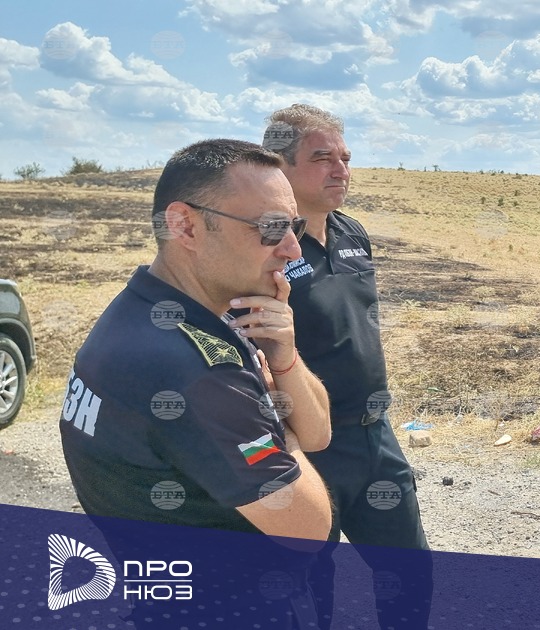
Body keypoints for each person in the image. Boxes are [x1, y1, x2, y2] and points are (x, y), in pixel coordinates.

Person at [59, 138, 334, 626]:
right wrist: (275, 422)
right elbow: (308, 528)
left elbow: (319, 433)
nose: (293, 250)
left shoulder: (152, 311)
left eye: (294, 227)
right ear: (185, 225)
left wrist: (284, 359)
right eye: (271, 228)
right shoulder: (193, 369)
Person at [264, 104, 433, 630]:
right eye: (322, 158)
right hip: (305, 445)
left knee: (409, 572)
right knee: (311, 589)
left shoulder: (352, 233)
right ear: (281, 166)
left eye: (345, 158)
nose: (341, 170)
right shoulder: (266, 246)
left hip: (374, 435)